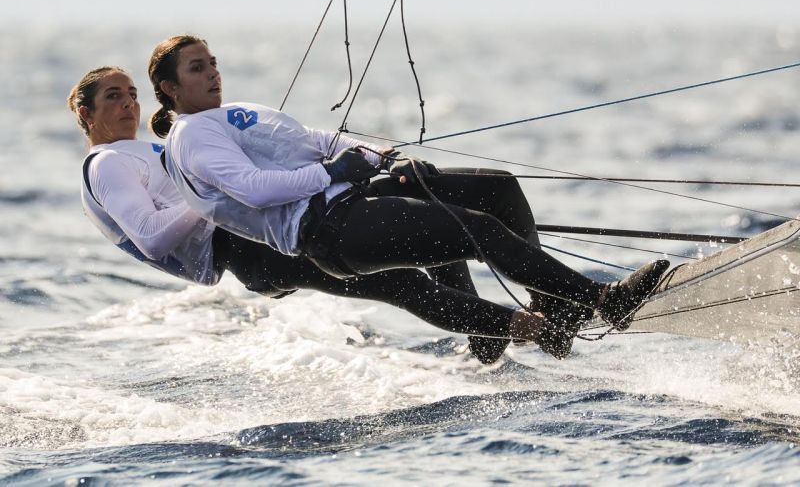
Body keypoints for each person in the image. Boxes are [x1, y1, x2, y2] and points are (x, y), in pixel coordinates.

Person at [148, 34, 670, 350]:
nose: (212, 72)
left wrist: (385, 159)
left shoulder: (241, 113)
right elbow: (254, 191)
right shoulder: (191, 135)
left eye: (212, 61)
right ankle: (605, 301)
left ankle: (559, 310)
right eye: (198, 68)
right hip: (328, 233)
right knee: (478, 230)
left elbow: (320, 139)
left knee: (492, 196)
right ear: (170, 89)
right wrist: (333, 174)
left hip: (351, 204)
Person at [69, 66, 590, 364]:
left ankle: (506, 327)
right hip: (247, 250)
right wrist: (210, 197)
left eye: (132, 94)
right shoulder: (110, 164)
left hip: (266, 228)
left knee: (420, 230)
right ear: (86, 113)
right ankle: (525, 325)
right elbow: (153, 239)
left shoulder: (148, 151)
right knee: (402, 279)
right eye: (113, 97)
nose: (129, 104)